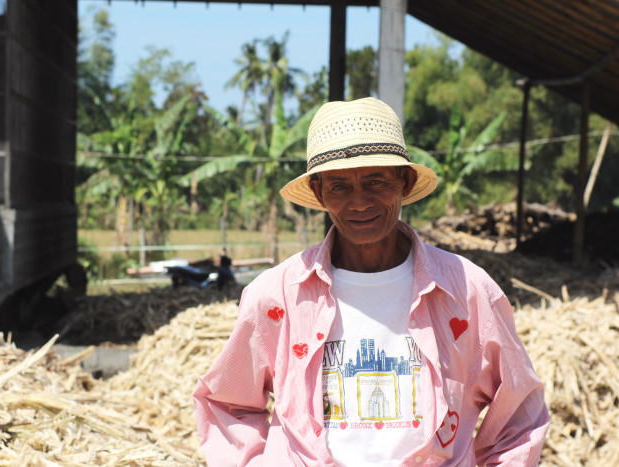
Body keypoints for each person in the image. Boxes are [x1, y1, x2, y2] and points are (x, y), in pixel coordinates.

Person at [194, 97, 549, 466]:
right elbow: (227, 402)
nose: (359, 202)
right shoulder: (277, 296)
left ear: (404, 182)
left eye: (376, 180)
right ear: (318, 193)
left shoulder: (467, 291)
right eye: (339, 186)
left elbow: (519, 415)